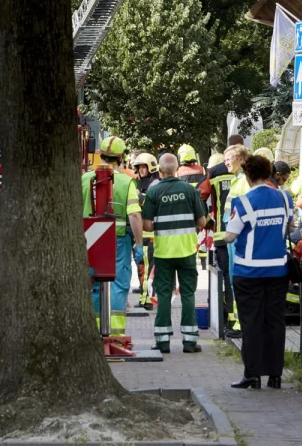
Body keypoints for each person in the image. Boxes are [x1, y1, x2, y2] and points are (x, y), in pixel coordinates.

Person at [216, 154, 292, 389]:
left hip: (249, 273)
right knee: (275, 323)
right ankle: (275, 375)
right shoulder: (284, 198)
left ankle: (253, 375)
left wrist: (215, 235)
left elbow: (230, 236)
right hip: (279, 270)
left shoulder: (244, 202)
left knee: (252, 323)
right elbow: (289, 226)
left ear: (248, 176)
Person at [143, 153, 208, 353]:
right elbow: (202, 222)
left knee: (163, 294)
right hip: (187, 251)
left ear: (160, 170)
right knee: (188, 294)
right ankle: (189, 342)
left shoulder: (153, 192)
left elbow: (146, 225)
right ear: (177, 169)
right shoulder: (189, 190)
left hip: (163, 253)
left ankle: (162, 342)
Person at [81, 136, 143, 335]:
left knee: (92, 284)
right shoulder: (127, 182)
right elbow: (134, 214)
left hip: (88, 240)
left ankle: (92, 332)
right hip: (117, 240)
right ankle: (114, 334)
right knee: (117, 284)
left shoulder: (83, 179)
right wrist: (139, 244)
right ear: (121, 156)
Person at [201, 144, 247, 337]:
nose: (226, 162)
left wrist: (208, 221)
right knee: (233, 277)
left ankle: (234, 320)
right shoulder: (240, 179)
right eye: (225, 159)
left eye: (230, 158)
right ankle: (235, 320)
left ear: (240, 159)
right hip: (232, 236)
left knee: (233, 277)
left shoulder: (218, 174)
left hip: (226, 235)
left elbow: (199, 195)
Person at [132, 152, 159, 309]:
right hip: (139, 233)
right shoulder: (136, 183)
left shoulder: (155, 184)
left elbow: (150, 203)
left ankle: (147, 299)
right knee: (141, 266)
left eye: (144, 167)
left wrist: (139, 197)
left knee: (147, 267)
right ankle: (144, 298)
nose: (141, 170)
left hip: (150, 234)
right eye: (139, 167)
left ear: (151, 167)